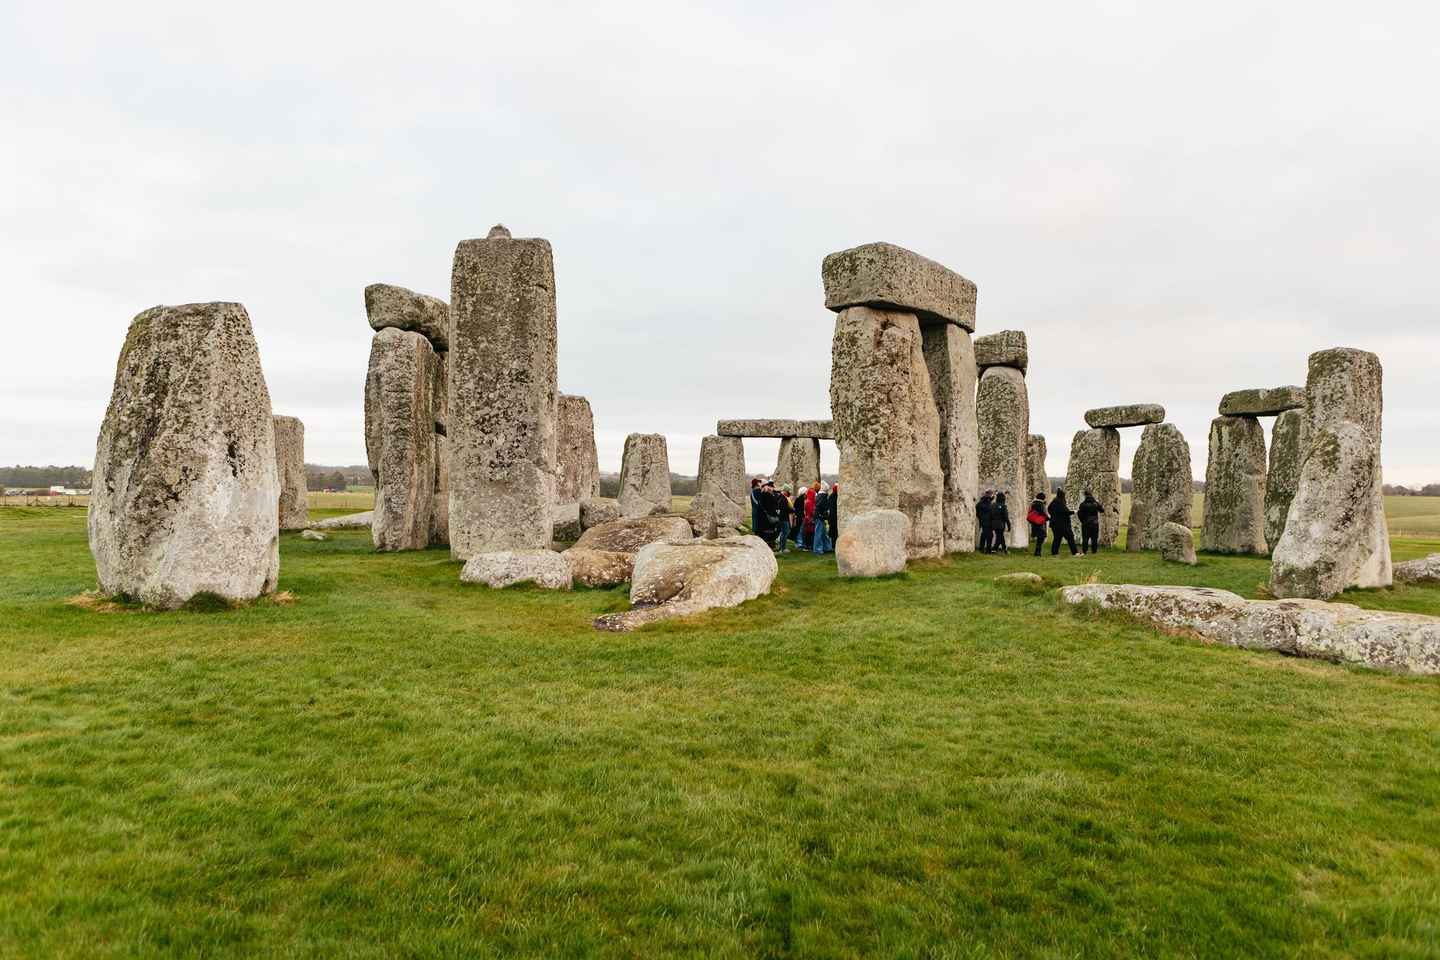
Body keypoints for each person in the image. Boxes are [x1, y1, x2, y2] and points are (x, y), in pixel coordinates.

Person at [1048, 488, 1078, 556]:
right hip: (1063, 524)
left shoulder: (1053, 502)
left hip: (1054, 524)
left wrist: (1054, 515)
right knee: (1070, 537)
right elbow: (1065, 512)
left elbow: (1049, 510)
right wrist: (1074, 512)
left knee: (1057, 539)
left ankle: (1054, 552)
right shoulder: (1060, 503)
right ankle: (1075, 552)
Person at [1077, 488, 1104, 555]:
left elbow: (1079, 514)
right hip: (1094, 523)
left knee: (1085, 538)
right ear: (1091, 494)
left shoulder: (1082, 504)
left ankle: (1085, 551)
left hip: (1085, 523)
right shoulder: (1095, 503)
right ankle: (1094, 551)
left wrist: (1082, 521)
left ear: (1085, 495)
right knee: (1094, 538)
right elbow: (1102, 510)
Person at [812, 483, 832, 553]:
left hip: (819, 516)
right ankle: (817, 549)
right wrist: (824, 513)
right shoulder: (822, 496)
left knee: (823, 533)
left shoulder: (820, 495)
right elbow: (821, 506)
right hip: (819, 516)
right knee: (819, 533)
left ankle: (827, 547)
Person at [1027, 492, 1049, 557]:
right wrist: (1048, 518)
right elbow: (1042, 512)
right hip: (1039, 523)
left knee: (1040, 538)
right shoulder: (1039, 504)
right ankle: (1037, 552)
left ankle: (1037, 552)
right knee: (1041, 538)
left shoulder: (1033, 503)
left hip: (1035, 522)